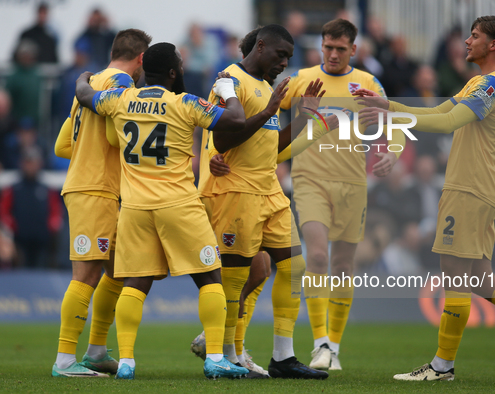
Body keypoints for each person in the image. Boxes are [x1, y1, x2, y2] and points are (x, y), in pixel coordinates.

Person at [354, 15, 495, 382]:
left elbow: (446, 123)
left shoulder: (492, 85)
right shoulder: (481, 82)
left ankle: (442, 366)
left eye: (474, 36)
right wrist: (389, 105)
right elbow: (441, 111)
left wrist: (389, 110)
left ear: (492, 46)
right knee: (481, 278)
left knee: (453, 274)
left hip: (469, 189)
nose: (466, 42)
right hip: (480, 188)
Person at [74, 42, 248, 380]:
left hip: (135, 207)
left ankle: (125, 361)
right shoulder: (184, 103)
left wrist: (85, 76)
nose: (182, 68)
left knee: (135, 283)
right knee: (210, 277)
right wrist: (227, 90)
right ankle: (215, 358)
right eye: (180, 64)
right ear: (173, 72)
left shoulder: (120, 100)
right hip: (179, 204)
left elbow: (84, 95)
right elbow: (236, 120)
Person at [197, 24, 329, 380]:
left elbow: (274, 147)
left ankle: (283, 357)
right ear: (260, 46)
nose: (285, 62)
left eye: (289, 57)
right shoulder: (230, 80)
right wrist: (271, 108)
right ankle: (225, 355)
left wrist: (303, 118)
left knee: (293, 267)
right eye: (280, 54)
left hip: (269, 190)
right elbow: (222, 140)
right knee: (236, 278)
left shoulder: (267, 87)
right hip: (236, 191)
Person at [279, 18, 403, 371]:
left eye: (340, 49)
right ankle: (319, 344)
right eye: (327, 47)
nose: (332, 54)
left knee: (344, 264)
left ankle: (334, 346)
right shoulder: (302, 80)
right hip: (309, 179)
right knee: (317, 257)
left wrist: (392, 152)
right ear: (321, 46)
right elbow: (271, 112)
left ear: (354, 49)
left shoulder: (366, 82)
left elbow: (393, 120)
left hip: (352, 183)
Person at [52, 29, 152, 378]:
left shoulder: (89, 82)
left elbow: (62, 146)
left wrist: (90, 154)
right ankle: (65, 360)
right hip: (95, 190)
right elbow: (115, 134)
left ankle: (95, 351)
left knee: (116, 270)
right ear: (141, 59)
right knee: (87, 274)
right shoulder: (125, 84)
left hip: (92, 185)